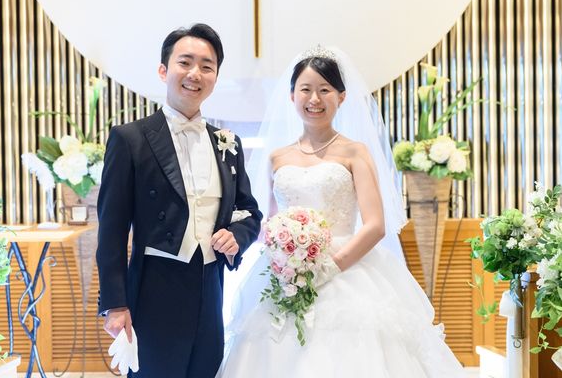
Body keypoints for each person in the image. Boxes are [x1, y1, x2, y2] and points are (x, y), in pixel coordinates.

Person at [217, 47, 466, 377]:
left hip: (347, 268)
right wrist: (281, 254)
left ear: (341, 97)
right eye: (305, 89)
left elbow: (375, 225)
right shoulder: (278, 157)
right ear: (292, 95)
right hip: (287, 273)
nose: (314, 99)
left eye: (325, 90)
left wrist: (330, 267)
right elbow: (271, 222)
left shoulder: (354, 152)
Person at [96, 23, 262, 378]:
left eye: (207, 66)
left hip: (210, 285)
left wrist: (238, 236)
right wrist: (115, 303)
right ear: (163, 70)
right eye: (185, 62)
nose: (195, 74)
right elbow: (111, 230)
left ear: (215, 77)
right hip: (154, 288)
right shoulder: (131, 139)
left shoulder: (227, 143)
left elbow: (250, 212)